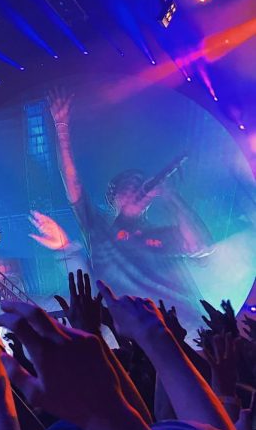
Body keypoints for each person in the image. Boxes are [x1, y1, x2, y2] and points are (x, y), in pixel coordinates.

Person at [47, 89, 213, 332]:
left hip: (185, 328)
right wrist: (61, 127)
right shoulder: (99, 231)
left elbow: (201, 246)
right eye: (128, 185)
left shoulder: (164, 233)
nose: (136, 189)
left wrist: (170, 195)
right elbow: (73, 184)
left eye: (140, 184)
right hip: (134, 335)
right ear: (113, 197)